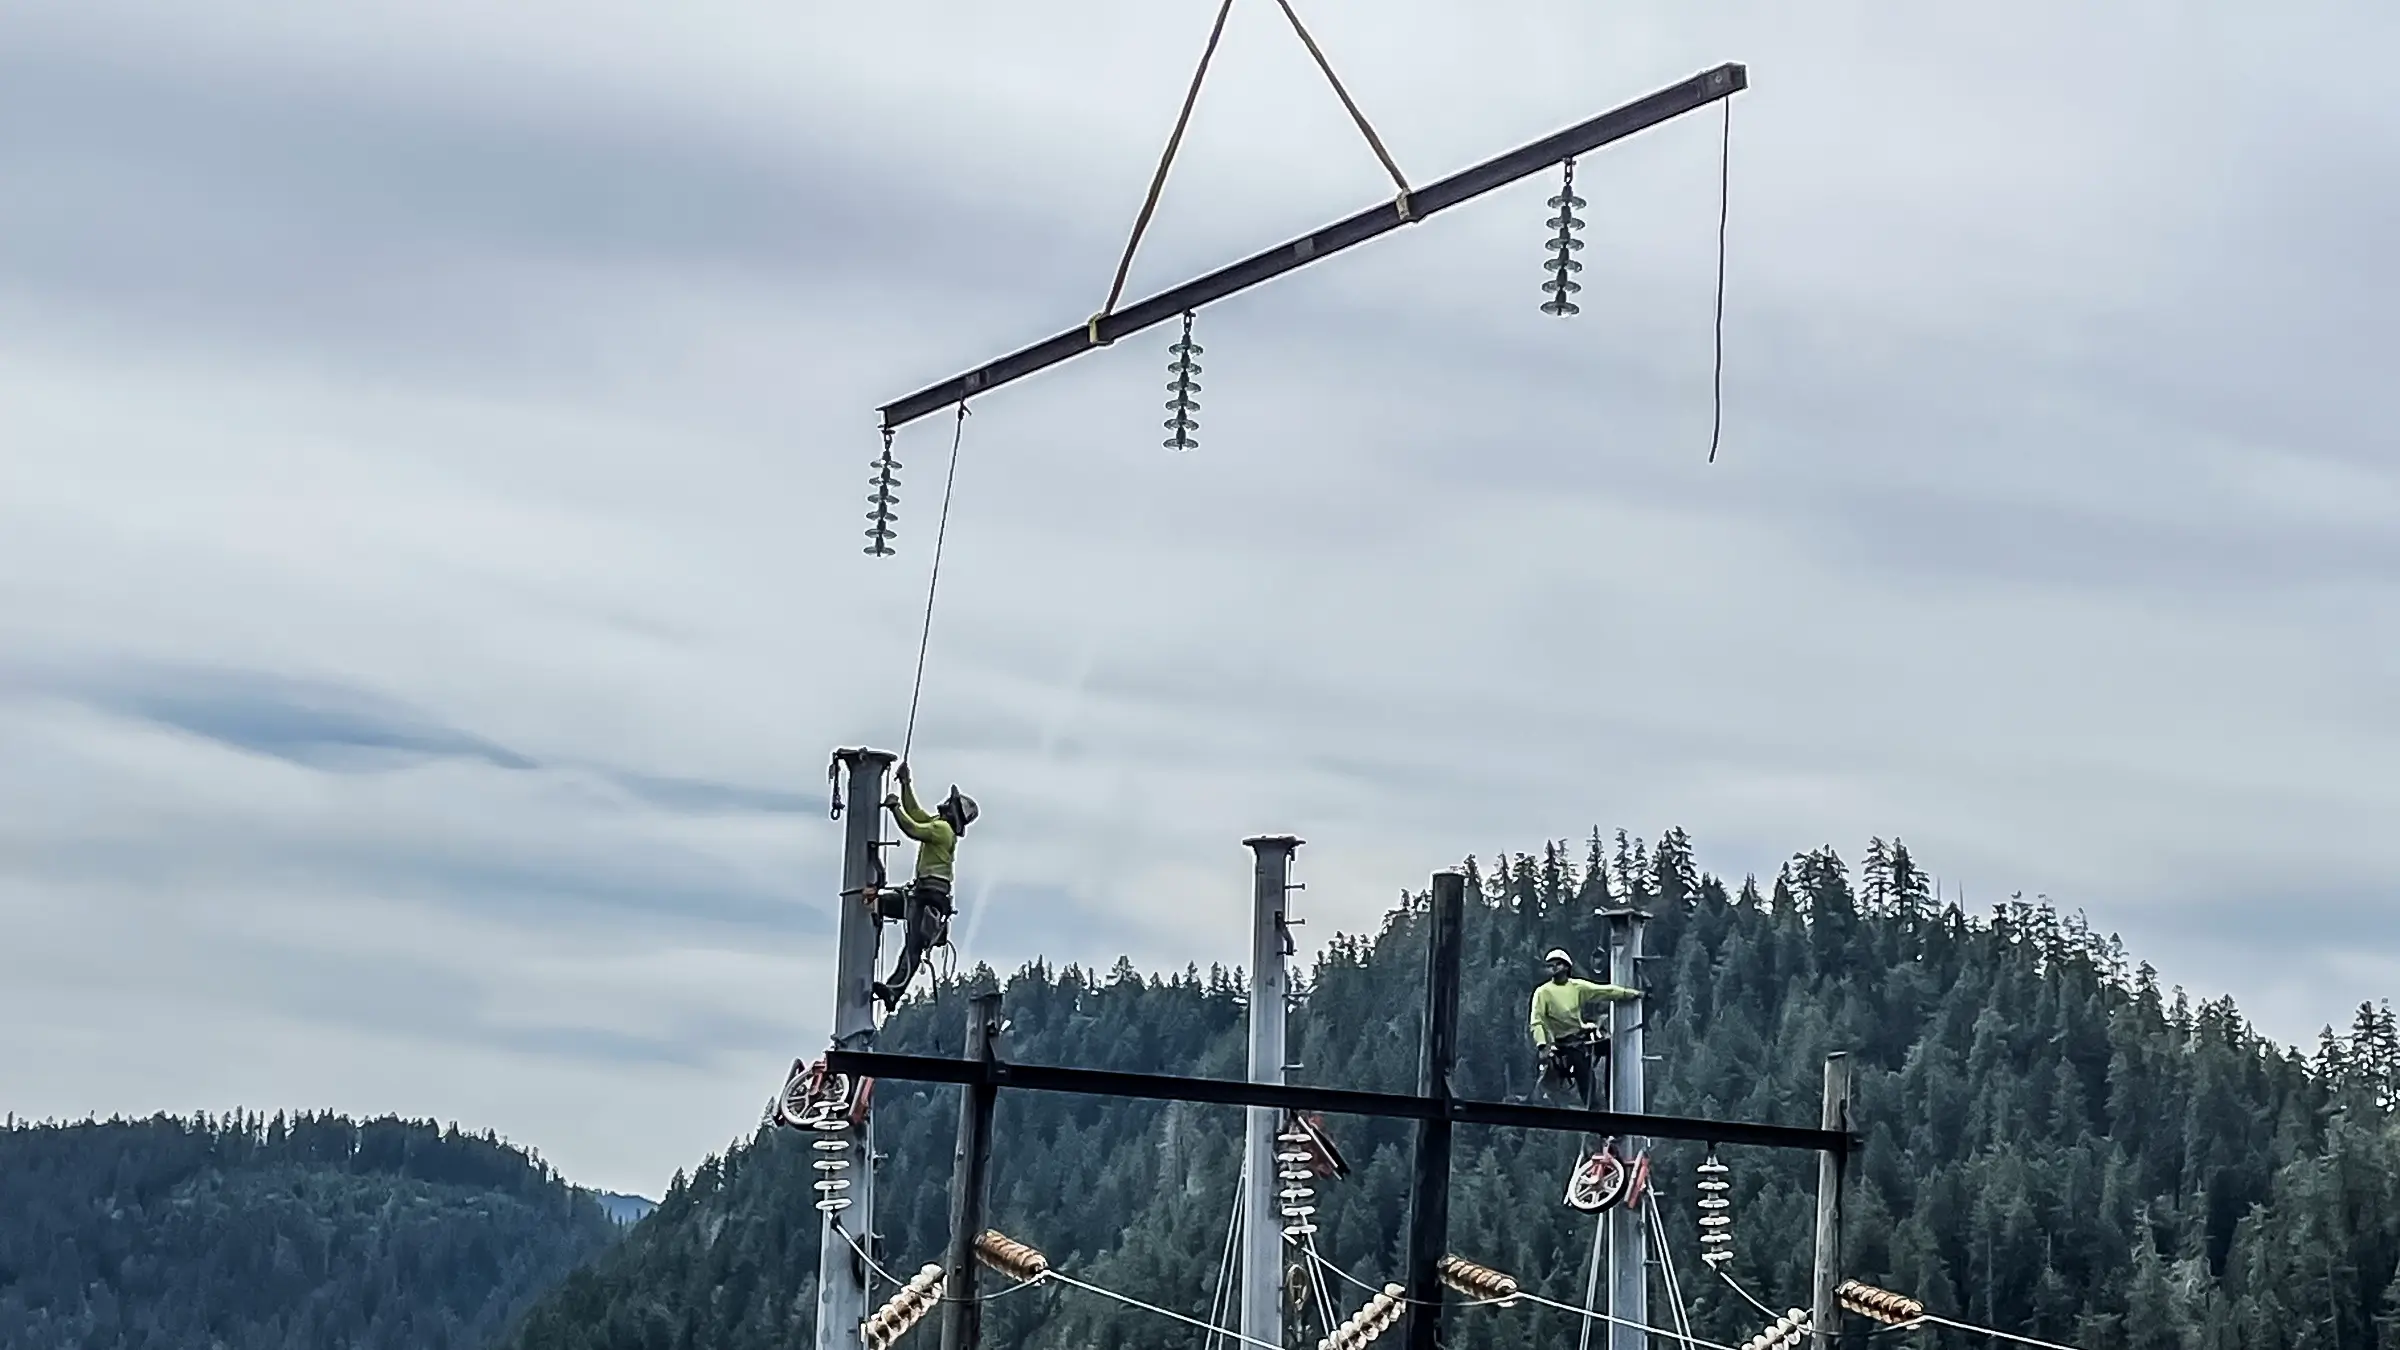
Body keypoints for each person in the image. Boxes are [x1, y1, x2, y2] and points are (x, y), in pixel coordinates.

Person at [872, 761, 978, 1012]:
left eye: (949, 802)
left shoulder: (942, 830)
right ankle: (890, 989)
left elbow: (912, 827)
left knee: (913, 947)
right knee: (883, 904)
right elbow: (916, 812)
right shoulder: (939, 825)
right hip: (921, 894)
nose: (944, 803)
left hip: (929, 897)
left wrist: (894, 808)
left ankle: (893, 991)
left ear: (953, 812)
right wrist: (906, 784)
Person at [1528, 948, 1639, 1109]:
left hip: (1581, 1039)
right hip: (1564, 1045)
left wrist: (1631, 994)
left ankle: (1611, 1099)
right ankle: (1597, 1117)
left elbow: (1604, 991)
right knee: (1583, 1080)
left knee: (1610, 1049)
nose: (1553, 967)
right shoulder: (1543, 992)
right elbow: (1536, 1021)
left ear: (1566, 967)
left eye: (1557, 964)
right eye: (1550, 965)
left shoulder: (1576, 987)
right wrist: (1542, 1044)